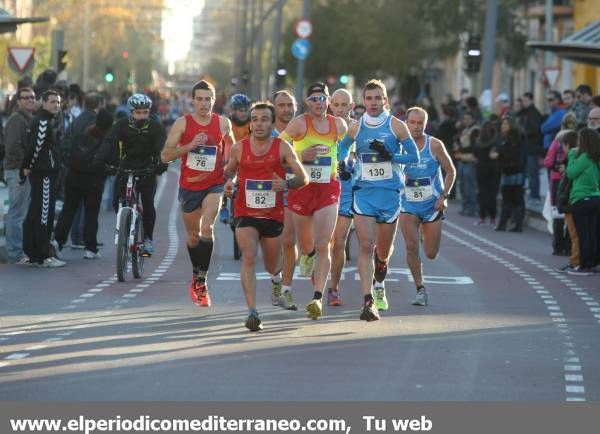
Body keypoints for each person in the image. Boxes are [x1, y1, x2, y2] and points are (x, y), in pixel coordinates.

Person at [338, 79, 419, 321]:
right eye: (369, 98)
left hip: (390, 196)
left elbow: (413, 156)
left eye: (378, 98)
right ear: (363, 101)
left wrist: (391, 155)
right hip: (364, 194)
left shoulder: (397, 126)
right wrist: (344, 165)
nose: (373, 103)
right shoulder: (356, 127)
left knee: (382, 252)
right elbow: (341, 151)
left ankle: (380, 274)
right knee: (365, 245)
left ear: (385, 100)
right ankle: (368, 301)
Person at [224, 102, 308, 331]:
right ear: (250, 124)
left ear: (272, 123)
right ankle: (252, 312)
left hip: (272, 215)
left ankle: (277, 279)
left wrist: (287, 183)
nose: (259, 123)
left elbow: (304, 178)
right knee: (249, 256)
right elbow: (229, 172)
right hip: (245, 212)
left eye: (264, 119)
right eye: (255, 119)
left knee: (272, 265)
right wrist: (229, 184)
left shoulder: (282, 148)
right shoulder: (239, 149)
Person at [161, 80, 235, 306]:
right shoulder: (182, 124)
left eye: (208, 99)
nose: (204, 104)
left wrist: (230, 176)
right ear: (192, 101)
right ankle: (196, 275)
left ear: (214, 101)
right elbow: (166, 156)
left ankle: (202, 282)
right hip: (189, 187)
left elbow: (233, 149)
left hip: (214, 184)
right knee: (193, 237)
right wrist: (189, 146)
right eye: (200, 99)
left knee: (207, 228)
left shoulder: (223, 123)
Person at [279, 82, 347, 320]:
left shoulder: (338, 124)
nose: (319, 103)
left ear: (328, 101)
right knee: (307, 246)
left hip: (328, 188)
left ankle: (317, 297)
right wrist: (300, 155)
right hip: (302, 188)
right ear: (307, 102)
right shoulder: (299, 123)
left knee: (323, 244)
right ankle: (306, 257)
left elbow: (346, 147)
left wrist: (345, 162)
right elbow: (278, 146)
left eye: (322, 99)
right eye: (314, 99)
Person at [97, 93, 166, 257]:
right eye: (138, 113)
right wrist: (100, 159)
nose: (142, 116)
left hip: (147, 169)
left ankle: (148, 239)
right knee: (115, 200)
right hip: (126, 167)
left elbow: (163, 148)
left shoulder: (156, 126)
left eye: (145, 112)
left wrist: (161, 165)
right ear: (131, 112)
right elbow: (109, 141)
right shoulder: (122, 125)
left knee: (148, 203)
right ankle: (126, 225)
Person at [399, 107, 456, 306]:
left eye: (420, 123)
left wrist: (444, 196)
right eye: (412, 122)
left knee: (431, 253)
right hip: (408, 204)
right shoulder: (398, 146)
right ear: (405, 123)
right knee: (411, 246)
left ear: (426, 124)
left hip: (432, 204)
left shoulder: (435, 145)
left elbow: (451, 171)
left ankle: (426, 231)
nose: (416, 126)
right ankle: (420, 288)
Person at [52, 109, 114, 258]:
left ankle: (57, 242)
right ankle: (90, 248)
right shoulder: (107, 140)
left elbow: (69, 151)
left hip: (73, 177)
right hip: (94, 181)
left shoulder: (83, 134)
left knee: (68, 210)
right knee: (91, 214)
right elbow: (111, 162)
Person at [22, 90, 65, 267]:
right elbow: (36, 147)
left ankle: (33, 253)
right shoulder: (42, 122)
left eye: (58, 102)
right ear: (44, 103)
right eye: (53, 101)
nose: (56, 105)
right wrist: (27, 167)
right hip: (44, 174)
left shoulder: (44, 120)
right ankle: (44, 255)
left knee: (36, 212)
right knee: (44, 215)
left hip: (43, 172)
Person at [327, 88, 356, 306]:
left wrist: (351, 165)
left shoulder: (357, 128)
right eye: (335, 105)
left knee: (339, 242)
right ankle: (314, 264)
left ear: (351, 106)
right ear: (330, 104)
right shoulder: (320, 125)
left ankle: (333, 288)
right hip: (322, 189)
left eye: (343, 105)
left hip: (347, 190)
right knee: (321, 243)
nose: (339, 109)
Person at [272, 90, 299, 310]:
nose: (286, 109)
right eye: (281, 105)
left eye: (289, 105)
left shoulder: (302, 131)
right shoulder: (265, 132)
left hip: (294, 193)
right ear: (274, 109)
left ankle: (286, 289)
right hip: (269, 194)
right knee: (272, 245)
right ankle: (275, 278)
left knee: (289, 241)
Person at [3, 87, 35, 264]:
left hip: (21, 170)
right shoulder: (17, 120)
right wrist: (24, 168)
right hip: (18, 170)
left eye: (32, 97)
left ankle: (19, 250)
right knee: (16, 213)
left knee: (20, 212)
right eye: (25, 98)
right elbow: (13, 148)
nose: (30, 100)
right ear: (18, 101)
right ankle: (15, 253)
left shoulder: (27, 118)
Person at [565, 128, 600, 276]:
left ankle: (584, 265)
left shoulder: (584, 157)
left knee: (583, 234)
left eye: (579, 140)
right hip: (595, 198)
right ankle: (592, 263)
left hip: (581, 199)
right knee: (592, 233)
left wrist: (572, 154)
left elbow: (570, 173)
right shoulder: (596, 157)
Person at [543, 113, 578, 256]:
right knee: (571, 212)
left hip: (557, 180)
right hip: (574, 179)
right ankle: (570, 246)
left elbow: (548, 162)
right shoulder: (578, 139)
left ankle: (558, 246)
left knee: (557, 213)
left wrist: (558, 166)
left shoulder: (557, 140)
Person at [491, 116, 527, 232]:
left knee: (513, 199)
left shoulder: (515, 138)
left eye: (506, 124)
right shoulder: (505, 138)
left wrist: (498, 155)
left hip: (514, 171)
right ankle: (510, 224)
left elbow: (512, 155)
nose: (503, 126)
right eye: (503, 124)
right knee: (510, 199)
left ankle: (512, 224)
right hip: (509, 171)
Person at [220, 93, 252, 224]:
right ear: (233, 110)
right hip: (230, 157)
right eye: (240, 109)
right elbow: (221, 142)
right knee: (225, 174)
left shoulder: (252, 123)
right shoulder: (227, 122)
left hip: (248, 159)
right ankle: (224, 206)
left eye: (246, 109)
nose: (244, 113)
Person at [473, 120, 500, 226]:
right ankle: (493, 218)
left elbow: (475, 153)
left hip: (481, 169)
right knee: (493, 194)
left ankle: (482, 217)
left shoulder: (478, 141)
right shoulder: (496, 140)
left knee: (482, 193)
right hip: (493, 169)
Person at [519, 92, 544, 203]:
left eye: (525, 100)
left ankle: (535, 196)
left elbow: (535, 130)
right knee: (528, 173)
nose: (523, 103)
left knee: (533, 173)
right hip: (527, 147)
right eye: (522, 100)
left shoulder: (534, 113)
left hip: (533, 148)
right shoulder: (526, 113)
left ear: (531, 100)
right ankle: (531, 195)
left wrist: (523, 132)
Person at [454, 111, 479, 216]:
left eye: (469, 118)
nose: (466, 120)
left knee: (470, 186)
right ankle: (465, 206)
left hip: (469, 161)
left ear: (473, 119)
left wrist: (460, 148)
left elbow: (474, 147)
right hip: (462, 160)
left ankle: (472, 208)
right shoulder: (465, 130)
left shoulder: (475, 130)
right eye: (465, 118)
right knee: (463, 186)